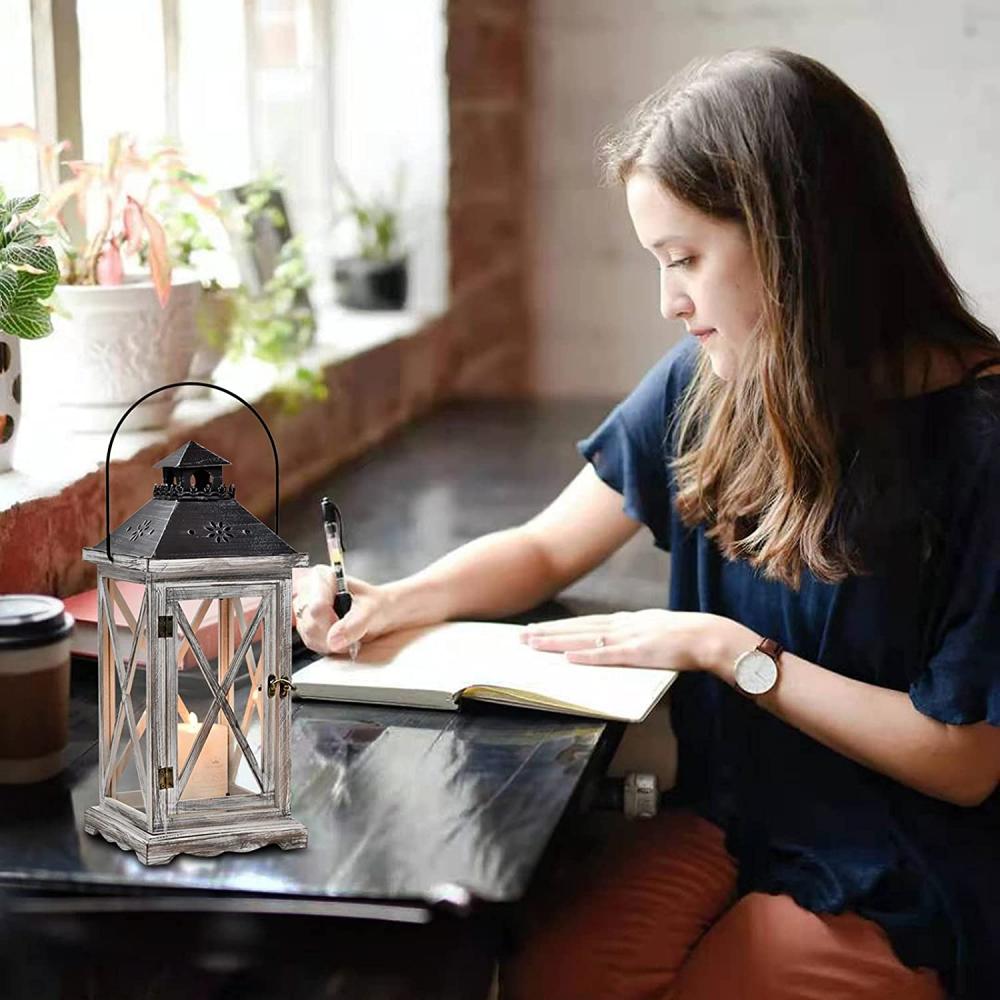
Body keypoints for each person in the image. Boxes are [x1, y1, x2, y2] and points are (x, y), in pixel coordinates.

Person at [293, 48, 1000, 1000]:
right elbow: (548, 544)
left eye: (686, 261)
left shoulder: (981, 445)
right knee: (546, 978)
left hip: (911, 860)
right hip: (735, 817)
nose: (669, 302)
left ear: (796, 240)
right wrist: (392, 601)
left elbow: (962, 763)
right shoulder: (711, 382)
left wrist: (727, 648)